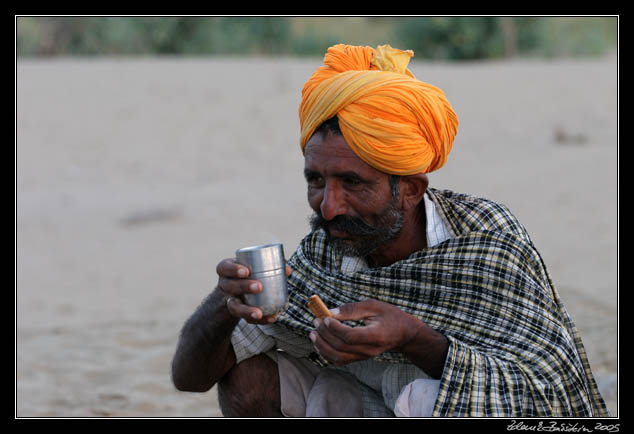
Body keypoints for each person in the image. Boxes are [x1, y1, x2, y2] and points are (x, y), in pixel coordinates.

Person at [171, 44, 608, 417]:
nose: (329, 206)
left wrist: (414, 338)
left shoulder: (485, 239)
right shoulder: (323, 253)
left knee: (427, 397)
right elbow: (189, 379)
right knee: (248, 373)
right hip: (358, 402)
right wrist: (223, 305)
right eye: (316, 180)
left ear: (411, 189)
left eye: (353, 183)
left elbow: (543, 393)